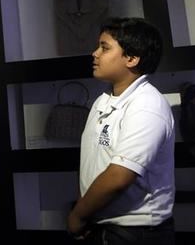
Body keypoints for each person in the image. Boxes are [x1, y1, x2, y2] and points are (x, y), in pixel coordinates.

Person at [67, 17, 175, 245]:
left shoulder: (146, 105)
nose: (95, 54)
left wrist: (78, 215)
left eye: (104, 48)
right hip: (103, 226)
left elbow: (118, 177)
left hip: (136, 234)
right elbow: (94, 164)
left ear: (132, 58)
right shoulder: (102, 100)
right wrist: (85, 211)